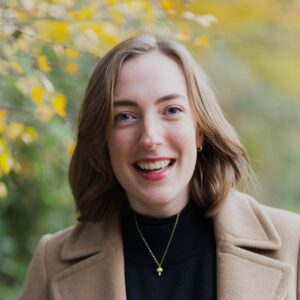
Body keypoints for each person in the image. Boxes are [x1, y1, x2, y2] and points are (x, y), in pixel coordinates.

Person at [19, 34, 300, 300]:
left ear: (199, 129)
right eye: (125, 116)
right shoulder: (52, 261)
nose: (150, 138)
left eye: (171, 110)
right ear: (103, 138)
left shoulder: (293, 242)